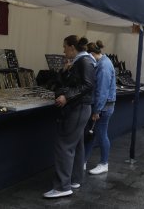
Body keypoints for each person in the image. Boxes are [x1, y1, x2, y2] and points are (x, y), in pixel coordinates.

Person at [44, 36, 95, 198]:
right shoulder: (80, 61)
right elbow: (77, 83)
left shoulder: (84, 61)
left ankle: (61, 187)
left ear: (72, 47)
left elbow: (87, 85)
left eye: (65, 47)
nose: (63, 50)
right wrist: (66, 71)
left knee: (64, 146)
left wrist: (67, 97)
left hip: (77, 108)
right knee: (76, 145)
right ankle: (74, 179)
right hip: (80, 107)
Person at [84, 40, 116, 175]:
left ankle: (104, 163)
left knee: (101, 134)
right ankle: (83, 161)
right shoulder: (103, 63)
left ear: (91, 54)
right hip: (103, 106)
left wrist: (97, 110)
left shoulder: (103, 66)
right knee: (93, 135)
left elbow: (102, 91)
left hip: (103, 108)